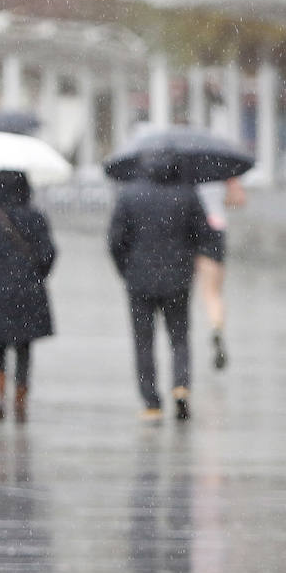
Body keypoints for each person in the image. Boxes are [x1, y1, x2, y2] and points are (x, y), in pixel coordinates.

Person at [108, 151, 210, 422]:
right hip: (178, 278)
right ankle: (181, 385)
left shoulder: (129, 195)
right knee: (180, 337)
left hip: (139, 280)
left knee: (144, 342)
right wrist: (187, 258)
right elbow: (203, 233)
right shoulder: (187, 194)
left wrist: (126, 270)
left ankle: (151, 402)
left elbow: (115, 240)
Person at [0, 170, 57, 423]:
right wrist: (36, 273)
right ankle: (20, 397)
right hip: (28, 290)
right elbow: (49, 254)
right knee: (24, 346)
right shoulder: (36, 217)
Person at [195, 176, 245, 370]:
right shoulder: (223, 168)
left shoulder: (184, 165)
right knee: (213, 292)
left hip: (188, 227)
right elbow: (239, 199)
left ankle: (181, 342)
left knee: (183, 289)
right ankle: (216, 327)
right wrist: (218, 200)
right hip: (216, 228)